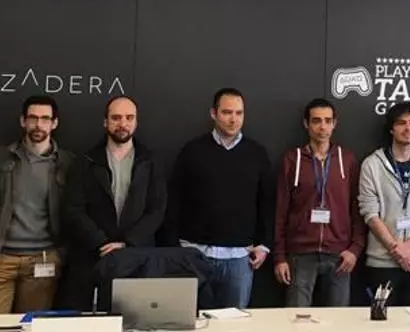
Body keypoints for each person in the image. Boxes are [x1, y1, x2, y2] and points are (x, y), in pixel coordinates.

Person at [166, 88, 274, 309]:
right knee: (192, 323)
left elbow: (267, 203)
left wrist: (264, 244)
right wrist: (176, 247)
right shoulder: (192, 151)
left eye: (239, 113)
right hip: (195, 256)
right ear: (213, 113)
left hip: (239, 260)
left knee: (233, 326)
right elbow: (174, 200)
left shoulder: (257, 154)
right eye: (227, 112)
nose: (233, 119)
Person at [60, 96, 166, 310]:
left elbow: (157, 209)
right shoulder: (85, 161)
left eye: (129, 118)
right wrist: (102, 243)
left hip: (136, 256)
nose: (123, 123)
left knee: (133, 320)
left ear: (136, 122)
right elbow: (73, 209)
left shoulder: (150, 161)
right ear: (105, 122)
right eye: (116, 118)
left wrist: (128, 243)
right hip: (93, 256)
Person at [273, 98, 365, 307]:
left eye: (327, 121)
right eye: (316, 121)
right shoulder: (292, 160)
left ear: (334, 124)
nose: (322, 127)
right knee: (297, 319)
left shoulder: (347, 160)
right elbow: (281, 211)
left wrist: (355, 249)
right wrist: (279, 257)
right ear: (306, 124)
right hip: (301, 253)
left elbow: (357, 208)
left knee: (338, 320)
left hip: (339, 254)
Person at [358, 102, 410, 307]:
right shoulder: (372, 164)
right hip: (381, 261)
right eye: (401, 123)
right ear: (391, 128)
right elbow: (369, 212)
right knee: (382, 322)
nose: (407, 128)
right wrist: (397, 249)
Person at [0, 95, 74, 313]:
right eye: (32, 118)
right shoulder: (4, 159)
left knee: (31, 327)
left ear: (54, 123)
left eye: (45, 118)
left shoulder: (68, 163)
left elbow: (77, 211)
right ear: (23, 121)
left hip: (43, 259)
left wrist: (61, 253)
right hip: (3, 257)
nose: (38, 124)